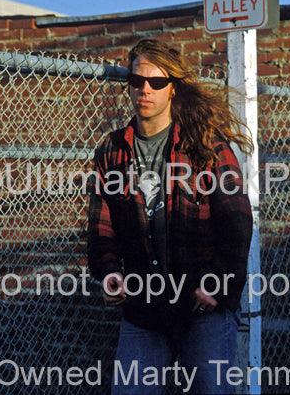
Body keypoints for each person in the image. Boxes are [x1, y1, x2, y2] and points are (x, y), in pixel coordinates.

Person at [87, 38, 253, 394]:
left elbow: (236, 221)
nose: (145, 89)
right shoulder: (112, 149)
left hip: (202, 305)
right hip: (144, 309)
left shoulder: (205, 144)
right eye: (136, 81)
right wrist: (109, 271)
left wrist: (218, 283)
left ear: (172, 88)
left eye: (157, 82)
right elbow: (101, 226)